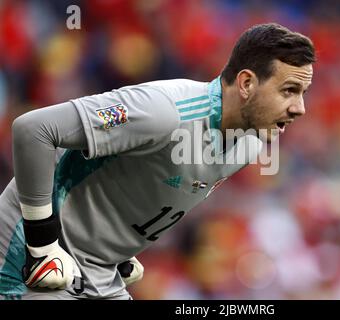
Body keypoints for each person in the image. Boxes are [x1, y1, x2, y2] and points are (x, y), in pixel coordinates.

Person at [0, 23, 315, 300]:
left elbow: (152, 184)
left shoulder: (250, 144)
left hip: (99, 273)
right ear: (246, 83)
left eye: (303, 93)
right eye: (289, 90)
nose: (300, 108)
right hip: (27, 260)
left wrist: (122, 248)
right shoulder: (165, 110)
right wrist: (42, 242)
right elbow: (34, 130)